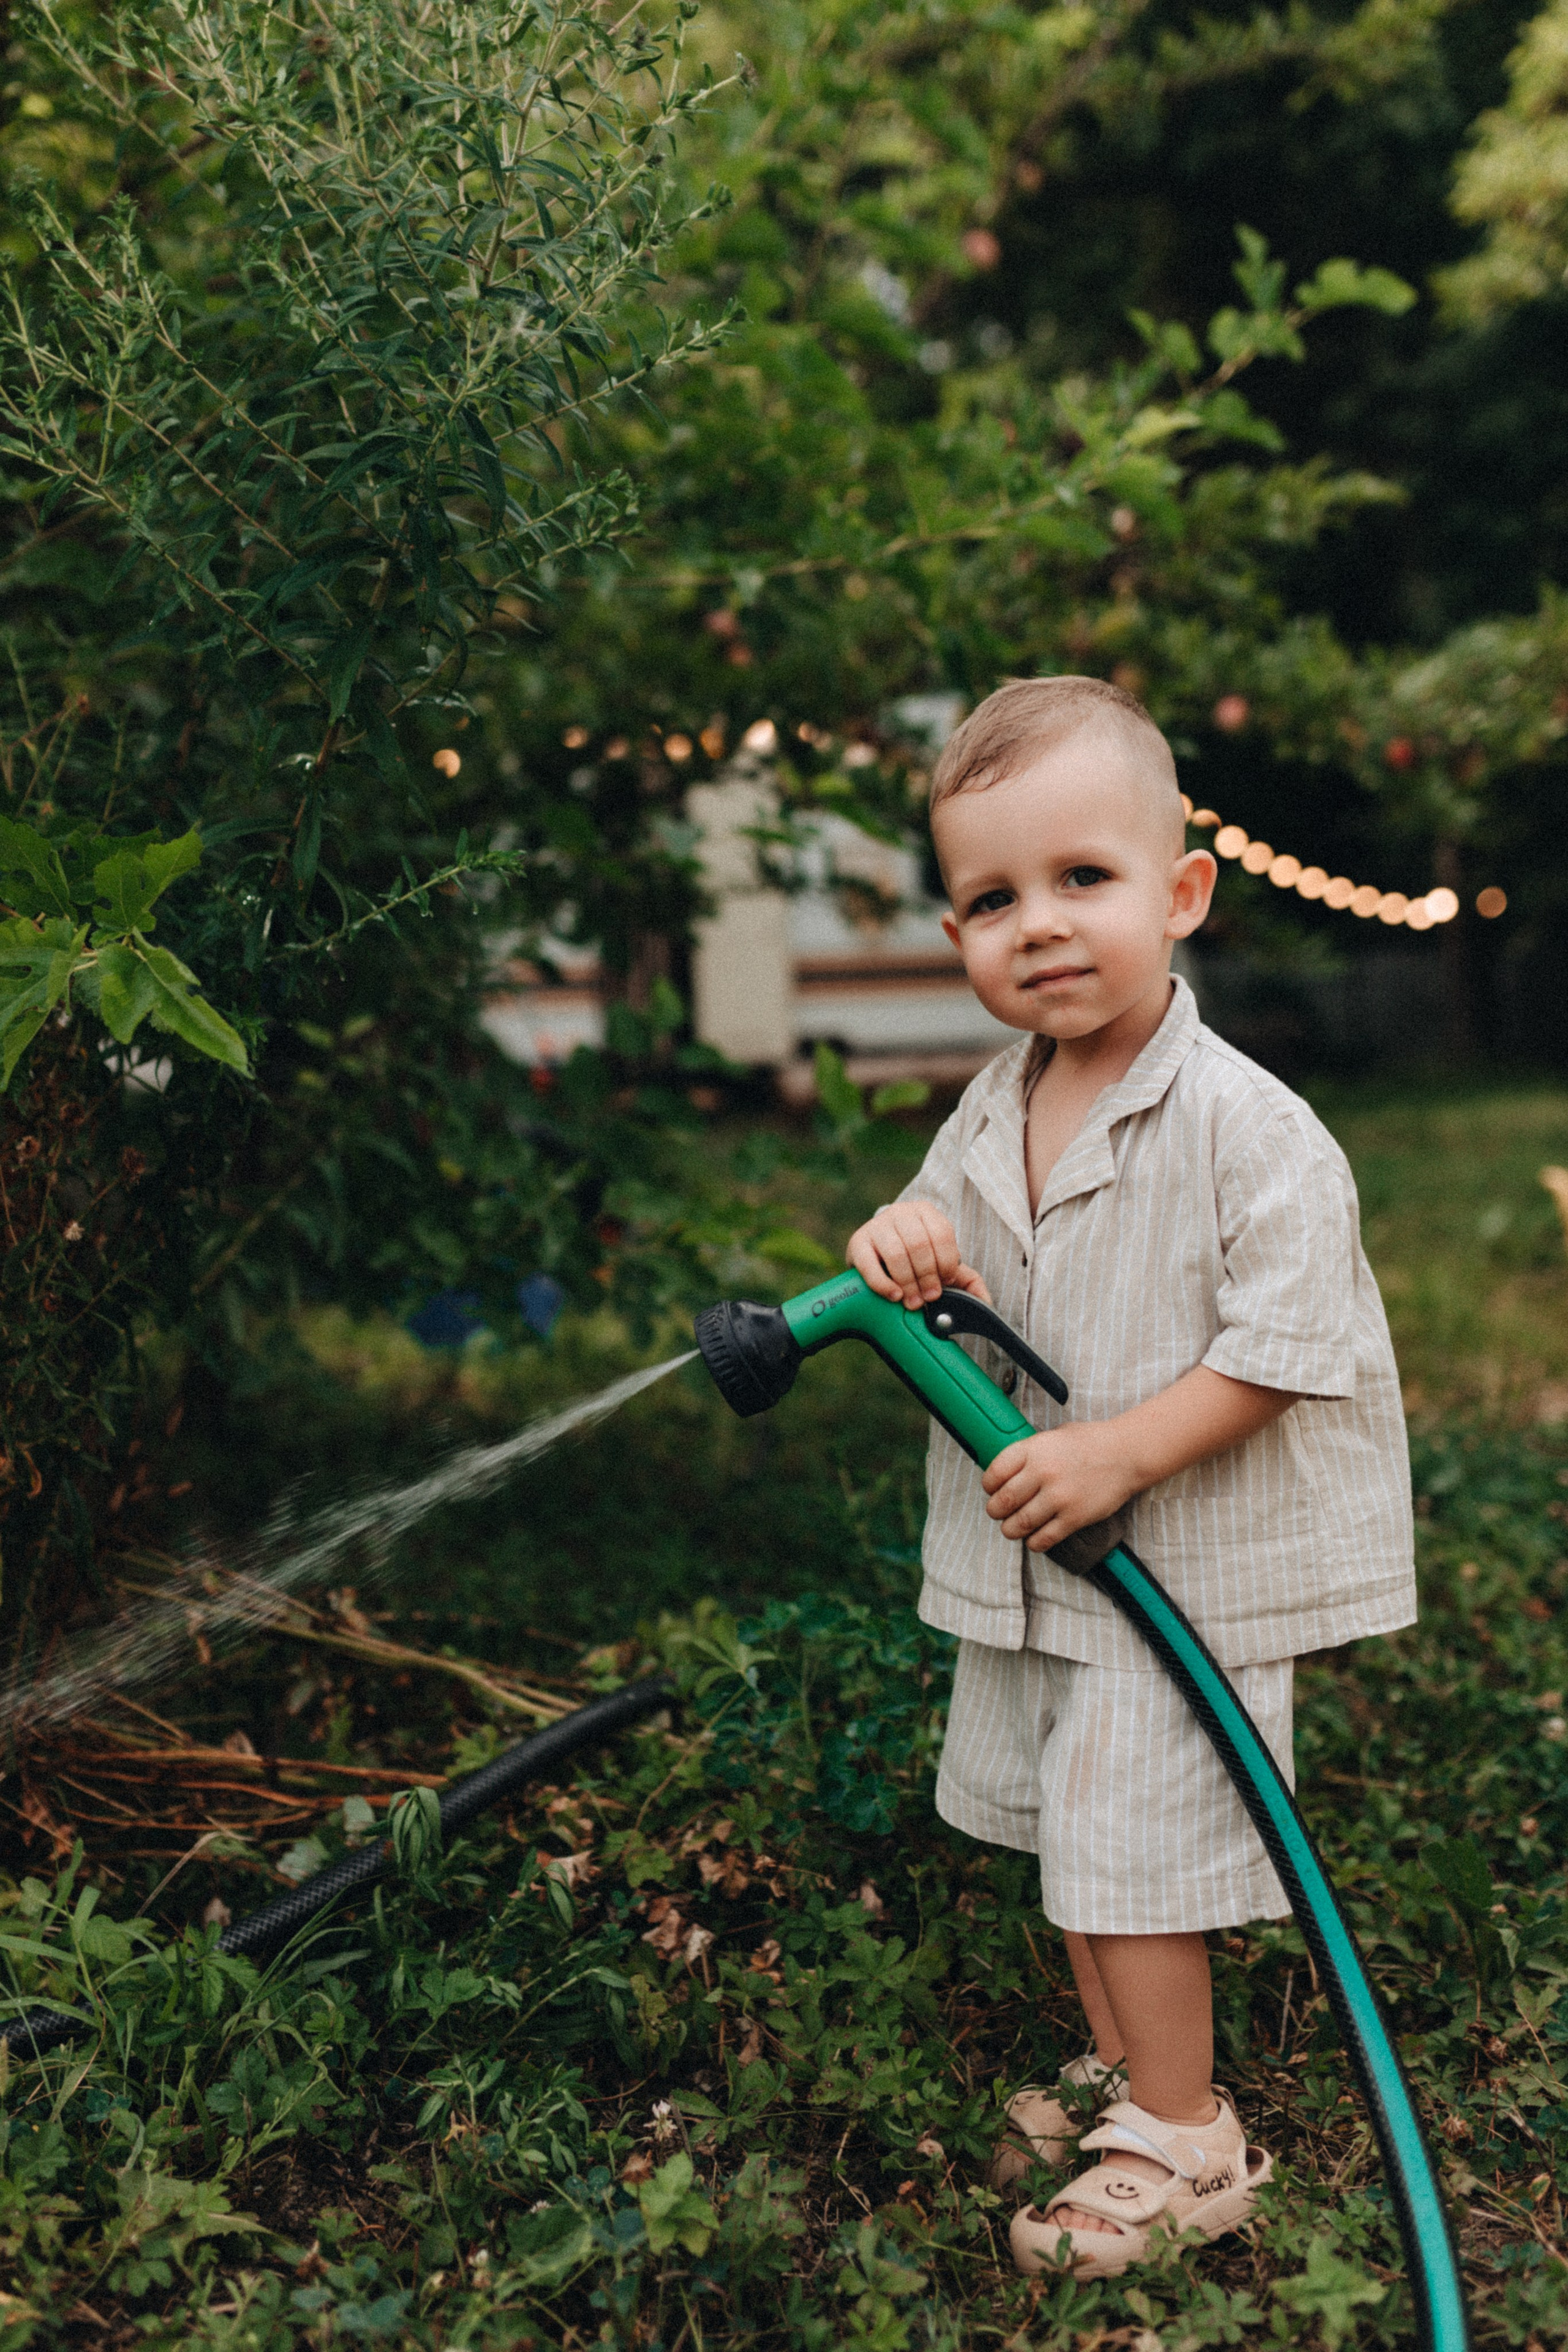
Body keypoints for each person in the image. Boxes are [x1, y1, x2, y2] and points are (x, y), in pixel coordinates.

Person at [845, 675, 1414, 2279]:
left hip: (1182, 1569)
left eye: (1082, 879)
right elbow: (923, 1238)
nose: (1038, 925)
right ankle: (1121, 2071)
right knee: (1072, 1836)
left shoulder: (1254, 1129)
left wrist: (1118, 1455)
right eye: (990, 897)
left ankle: (1187, 2138)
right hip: (1047, 1574)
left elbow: (1287, 1343)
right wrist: (893, 1241)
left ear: (1180, 895)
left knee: (1136, 1847)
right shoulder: (994, 1106)